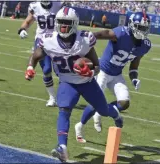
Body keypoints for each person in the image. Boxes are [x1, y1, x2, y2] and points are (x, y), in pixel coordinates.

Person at [24, 7, 123, 162]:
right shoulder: (48, 39)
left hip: (86, 82)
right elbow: (36, 55)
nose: (63, 26)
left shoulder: (84, 39)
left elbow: (97, 66)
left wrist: (88, 70)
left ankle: (115, 113)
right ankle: (62, 147)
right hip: (67, 82)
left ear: (75, 24)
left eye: (67, 22)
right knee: (64, 110)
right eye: (61, 22)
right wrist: (30, 67)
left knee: (103, 110)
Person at [75, 11, 151, 142]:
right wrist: (88, 36)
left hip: (117, 75)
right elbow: (104, 33)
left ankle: (100, 113)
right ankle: (79, 126)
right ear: (132, 25)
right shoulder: (122, 33)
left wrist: (134, 78)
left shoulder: (145, 45)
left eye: (145, 28)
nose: (143, 31)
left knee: (124, 102)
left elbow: (134, 65)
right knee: (94, 103)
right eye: (140, 27)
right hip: (103, 72)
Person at [18, 1, 63, 107]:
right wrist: (22, 29)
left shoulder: (58, 4)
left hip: (57, 41)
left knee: (61, 71)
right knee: (47, 70)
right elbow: (28, 21)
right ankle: (52, 98)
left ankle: (63, 95)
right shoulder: (35, 6)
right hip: (41, 41)